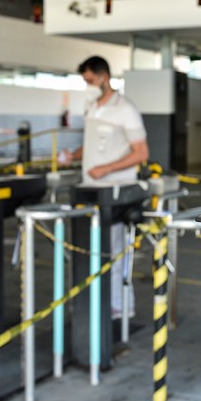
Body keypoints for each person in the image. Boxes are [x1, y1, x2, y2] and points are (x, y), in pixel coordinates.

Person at [63, 56, 149, 316]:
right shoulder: (92, 107)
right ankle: (96, 302)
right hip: (91, 192)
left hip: (115, 192)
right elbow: (92, 145)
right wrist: (73, 156)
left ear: (103, 77)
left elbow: (141, 152)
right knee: (91, 250)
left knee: (114, 251)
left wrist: (106, 169)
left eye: (89, 80)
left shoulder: (125, 109)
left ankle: (119, 305)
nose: (88, 85)